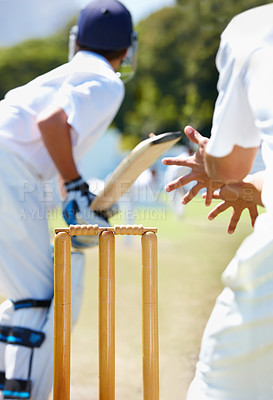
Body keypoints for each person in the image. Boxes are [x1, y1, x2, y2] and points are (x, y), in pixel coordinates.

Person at [0, 0, 137, 399]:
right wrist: (76, 187)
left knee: (23, 295)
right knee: (40, 298)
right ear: (127, 48)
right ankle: (22, 393)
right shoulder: (106, 81)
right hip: (7, 167)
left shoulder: (68, 73)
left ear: (77, 41)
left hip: (12, 165)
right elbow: (51, 123)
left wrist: (78, 192)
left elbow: (51, 143)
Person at [163, 4, 273, 399]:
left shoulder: (254, 28)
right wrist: (252, 187)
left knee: (216, 388)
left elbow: (229, 163)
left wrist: (212, 165)